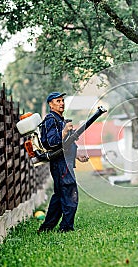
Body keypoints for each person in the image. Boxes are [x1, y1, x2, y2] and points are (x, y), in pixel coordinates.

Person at [38, 92, 89, 233]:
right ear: (50, 104)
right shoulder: (50, 119)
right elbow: (51, 142)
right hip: (61, 164)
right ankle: (66, 228)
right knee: (70, 193)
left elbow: (66, 145)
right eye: (57, 101)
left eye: (62, 101)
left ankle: (46, 228)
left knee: (60, 196)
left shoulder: (60, 120)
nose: (61, 103)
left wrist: (77, 155)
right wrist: (65, 132)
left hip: (64, 162)